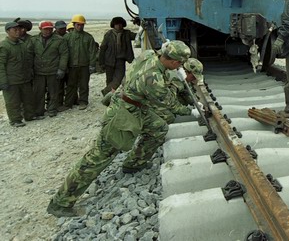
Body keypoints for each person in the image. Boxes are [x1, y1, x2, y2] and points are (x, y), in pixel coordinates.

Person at [47, 41, 193, 217]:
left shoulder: (148, 55)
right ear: (174, 62)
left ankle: (133, 164)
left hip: (137, 106)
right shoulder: (153, 78)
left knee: (158, 128)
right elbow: (170, 104)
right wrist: (191, 110)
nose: (180, 67)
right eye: (180, 63)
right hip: (123, 112)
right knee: (98, 156)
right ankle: (60, 203)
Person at [0, 22, 36, 126]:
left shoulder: (22, 44)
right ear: (7, 31)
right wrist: (3, 81)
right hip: (12, 81)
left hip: (24, 78)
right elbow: (1, 65)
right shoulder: (4, 46)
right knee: (13, 101)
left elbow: (27, 61)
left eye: (18, 29)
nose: (18, 31)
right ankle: (15, 120)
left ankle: (29, 116)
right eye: (14, 30)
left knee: (28, 99)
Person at [31, 21, 68, 118]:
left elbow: (64, 55)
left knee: (53, 92)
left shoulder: (59, 40)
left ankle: (52, 109)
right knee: (38, 92)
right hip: (38, 71)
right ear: (40, 29)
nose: (48, 31)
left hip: (53, 70)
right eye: (46, 29)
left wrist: (61, 69)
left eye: (50, 29)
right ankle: (39, 111)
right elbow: (30, 55)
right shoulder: (34, 40)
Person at [63, 14, 97, 110]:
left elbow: (92, 52)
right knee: (70, 85)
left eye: (82, 25)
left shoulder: (88, 37)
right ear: (73, 25)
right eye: (78, 24)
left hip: (84, 65)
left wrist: (92, 65)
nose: (80, 26)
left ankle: (83, 102)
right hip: (71, 66)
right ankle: (68, 104)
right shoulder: (67, 38)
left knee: (83, 84)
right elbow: (64, 53)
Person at [98, 17, 136, 96]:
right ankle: (109, 96)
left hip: (121, 61)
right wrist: (101, 62)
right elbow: (103, 48)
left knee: (119, 79)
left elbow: (138, 36)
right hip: (109, 60)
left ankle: (105, 92)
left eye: (120, 24)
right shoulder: (108, 34)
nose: (118, 26)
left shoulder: (127, 33)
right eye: (116, 24)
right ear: (113, 25)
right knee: (109, 80)